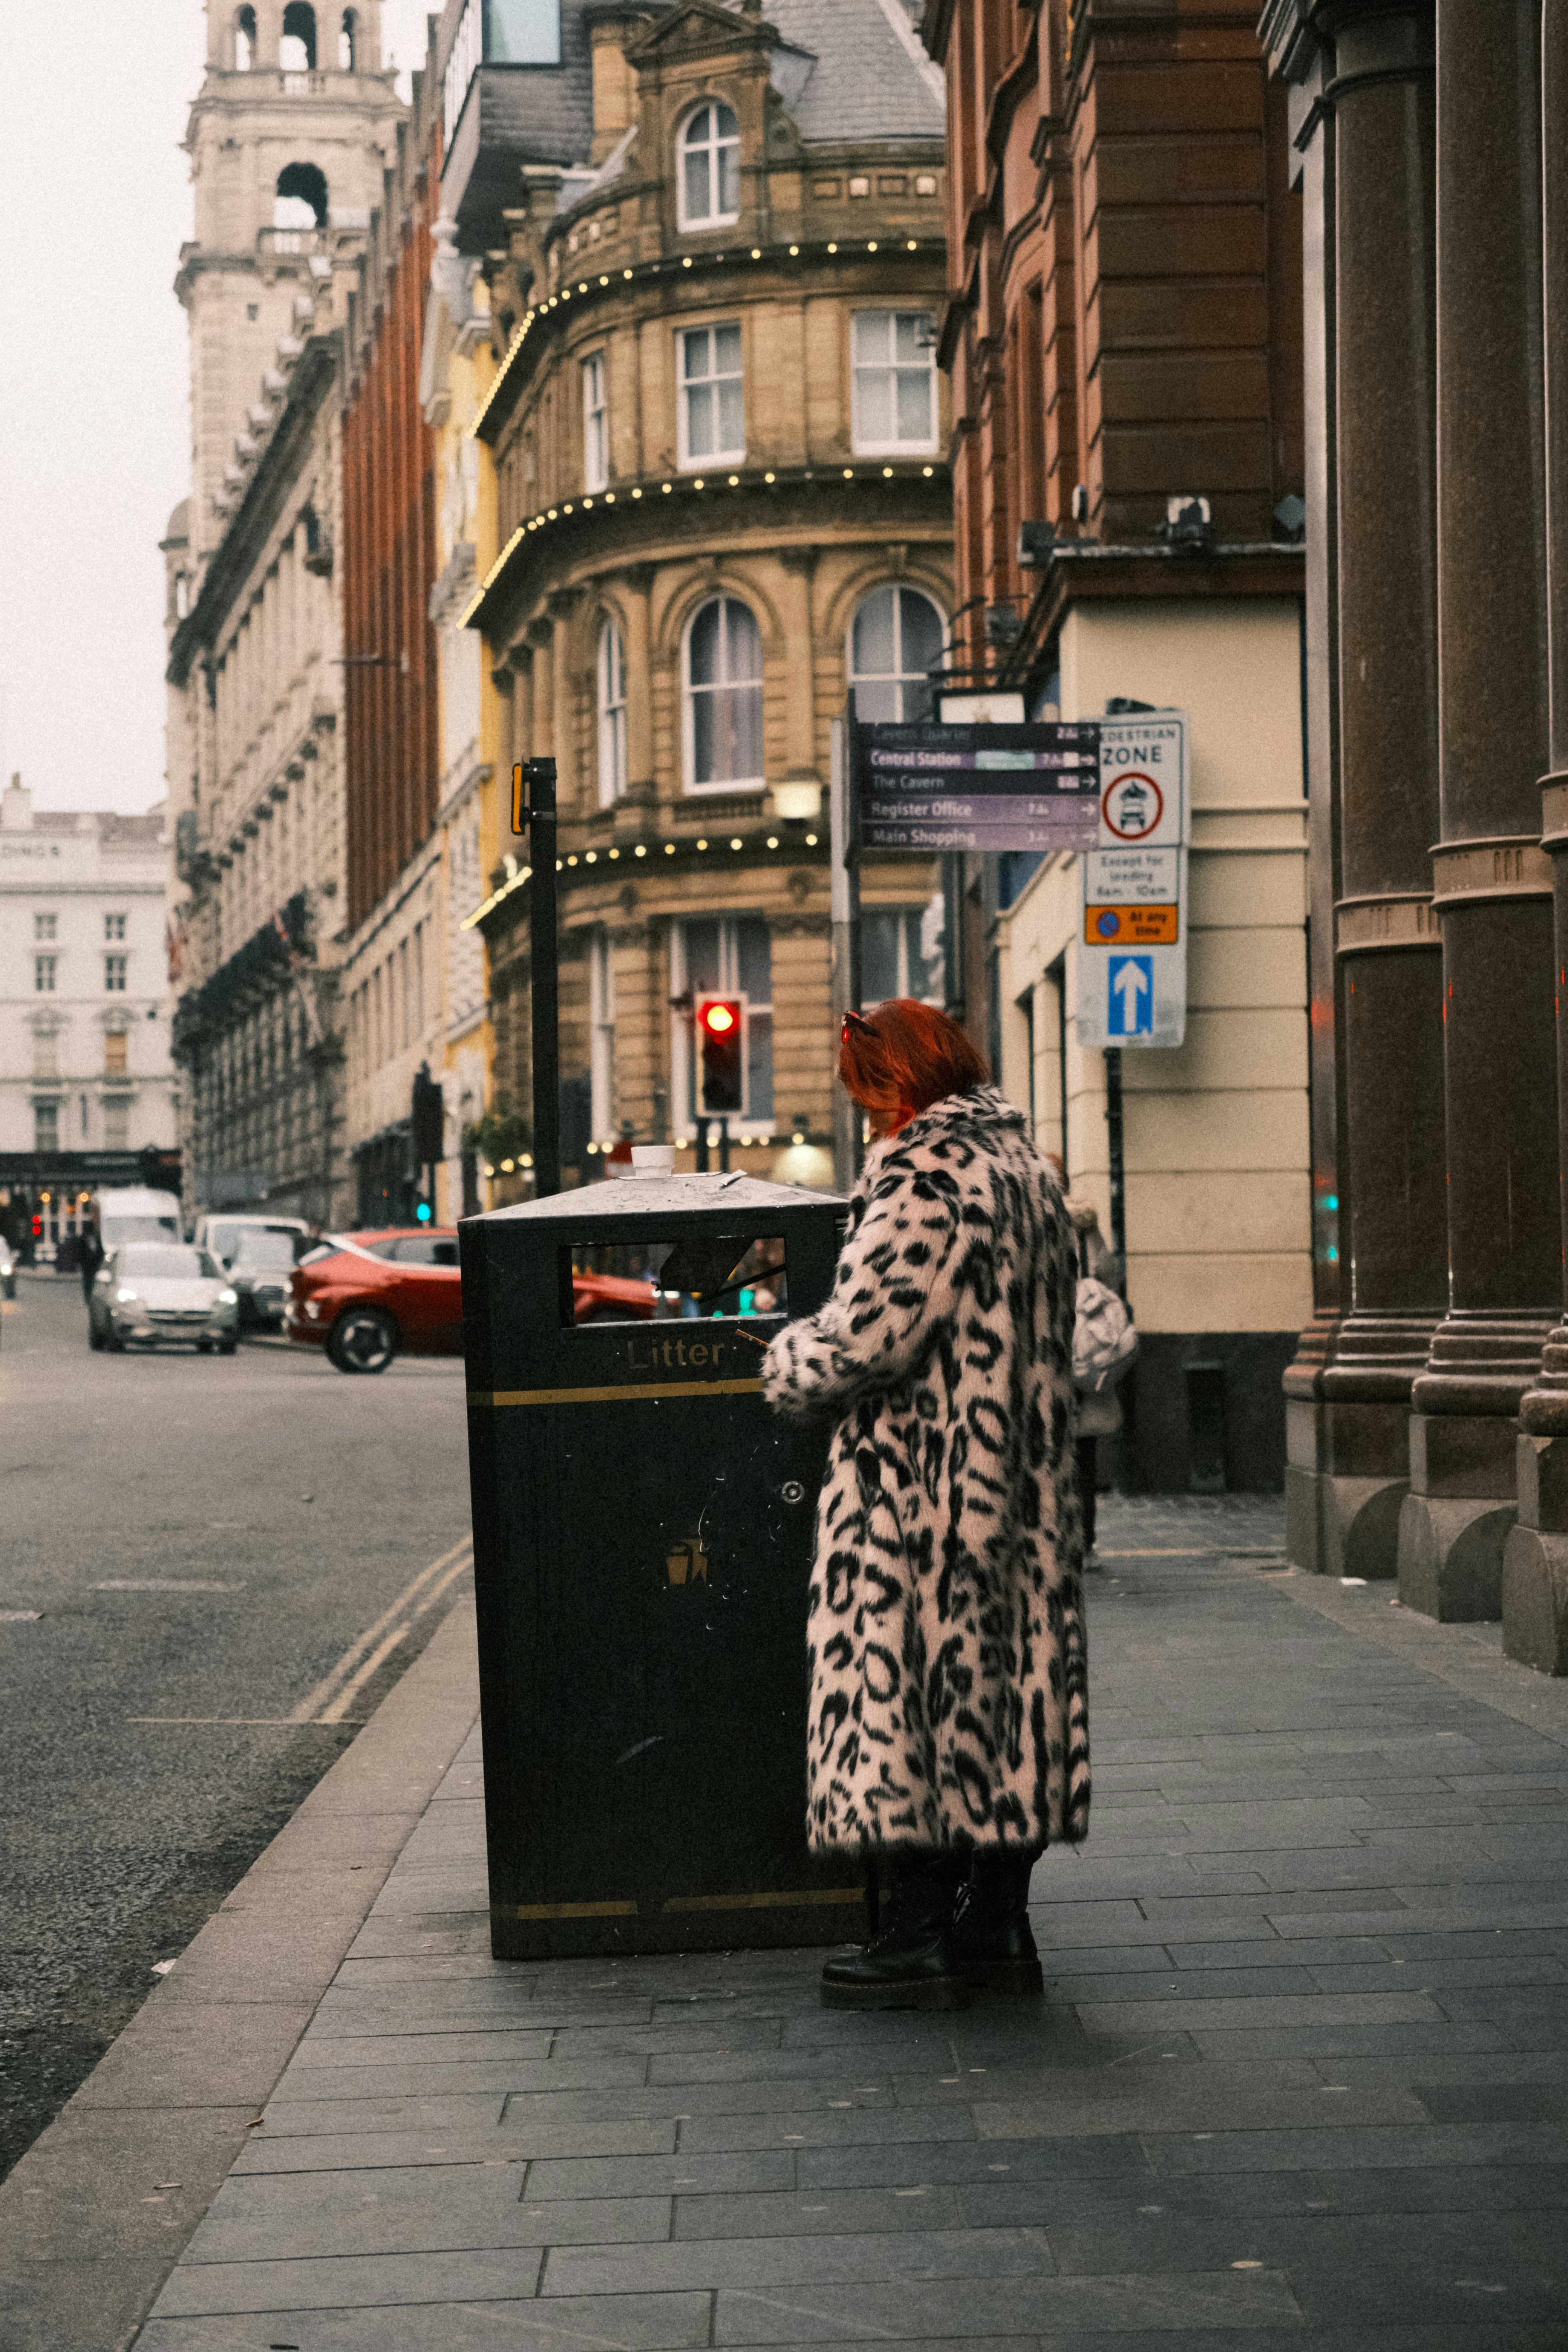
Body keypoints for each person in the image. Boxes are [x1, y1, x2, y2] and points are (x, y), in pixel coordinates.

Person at [762, 1000, 1089, 2011]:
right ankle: (997, 1929)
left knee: (905, 1700)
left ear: (892, 1083)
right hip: (1022, 1488)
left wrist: (786, 1358)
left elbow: (868, 1340)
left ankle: (912, 1938)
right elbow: (1076, 1325)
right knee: (1007, 1702)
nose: (861, 1111)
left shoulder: (923, 1175)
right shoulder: (1026, 1171)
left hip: (926, 1490)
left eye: (863, 1088)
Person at [78, 1215, 104, 1303]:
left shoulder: (97, 1239)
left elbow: (100, 1251)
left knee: (93, 1281)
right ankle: (88, 1297)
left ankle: (91, 1297)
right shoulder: (83, 1239)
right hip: (87, 1265)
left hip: (95, 1264)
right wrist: (82, 1262)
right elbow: (80, 1252)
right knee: (87, 1282)